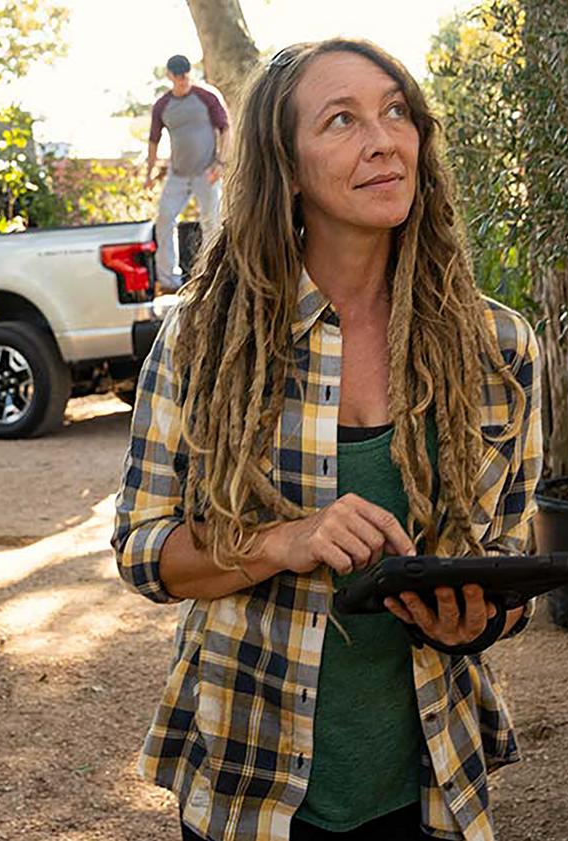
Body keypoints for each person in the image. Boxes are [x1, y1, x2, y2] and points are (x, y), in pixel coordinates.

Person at [112, 38, 542, 841]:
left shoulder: (498, 347)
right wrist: (285, 540)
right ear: (287, 166)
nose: (384, 139)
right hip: (251, 784)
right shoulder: (207, 340)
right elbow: (143, 551)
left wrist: (477, 619)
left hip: (427, 783)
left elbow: (508, 566)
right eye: (341, 120)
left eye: (395, 112)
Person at [146, 54, 230, 291]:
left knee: (212, 222)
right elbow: (153, 141)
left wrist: (220, 164)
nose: (184, 81)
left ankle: (214, 278)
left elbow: (226, 129)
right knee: (164, 219)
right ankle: (168, 281)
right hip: (178, 174)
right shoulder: (163, 105)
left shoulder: (206, 96)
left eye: (187, 76)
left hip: (207, 171)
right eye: (179, 78)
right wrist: (149, 174)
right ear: (170, 76)